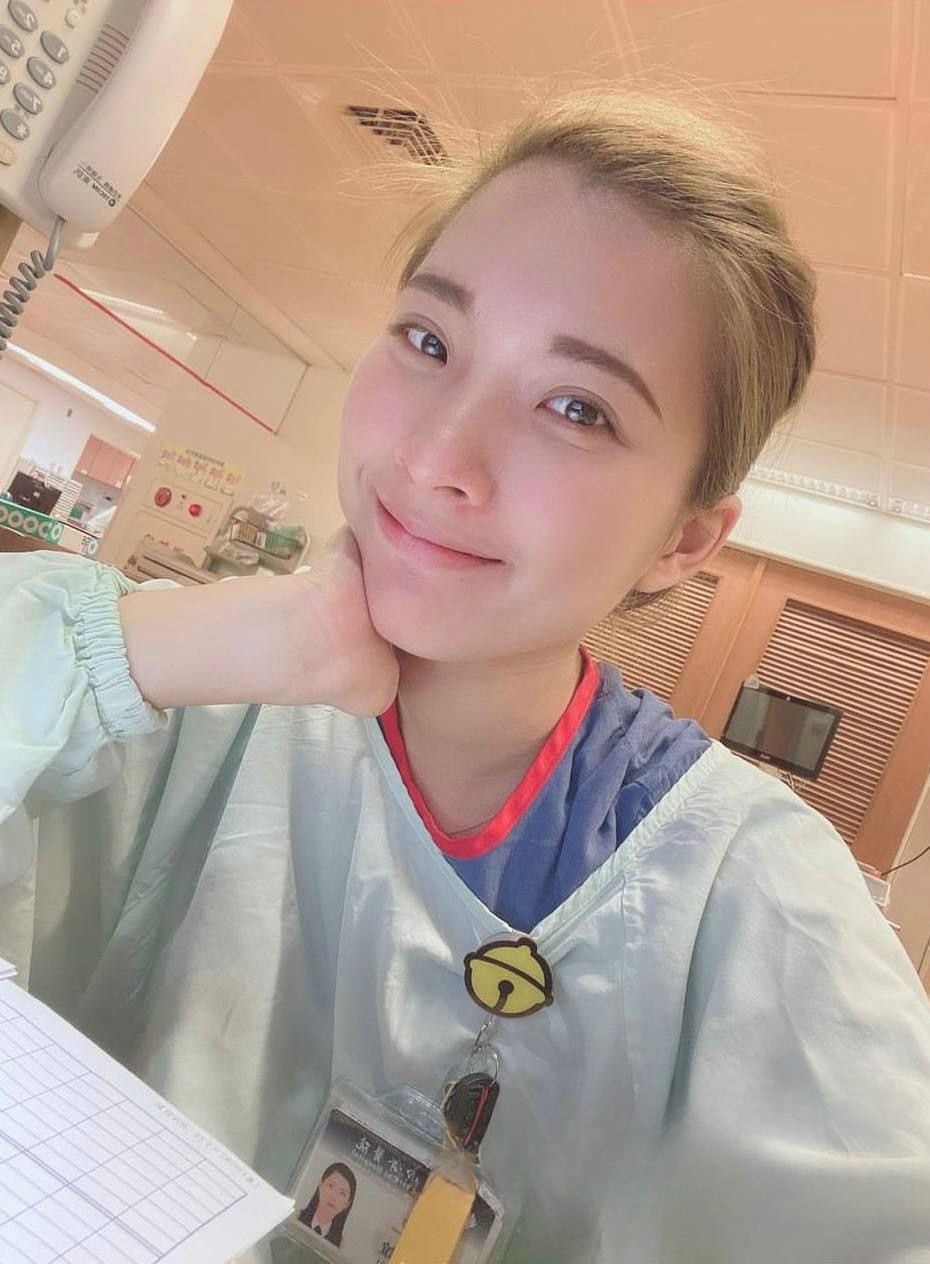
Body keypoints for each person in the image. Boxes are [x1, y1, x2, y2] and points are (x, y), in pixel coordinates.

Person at [1, 90, 928, 1264]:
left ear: (685, 540)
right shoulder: (197, 698)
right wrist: (191, 640)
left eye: (577, 408)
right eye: (430, 340)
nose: (437, 455)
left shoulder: (742, 890)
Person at [298, 1162, 357, 1246]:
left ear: (347, 1204)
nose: (333, 1196)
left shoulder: (342, 1244)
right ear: (320, 1185)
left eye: (342, 1193)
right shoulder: (296, 1216)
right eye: (330, 1186)